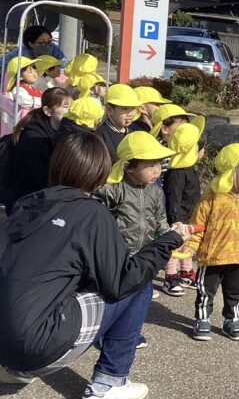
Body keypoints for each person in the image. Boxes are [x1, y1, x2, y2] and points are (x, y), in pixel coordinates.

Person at [0, 132, 187, 399]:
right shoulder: (91, 213)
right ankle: (110, 381)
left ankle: (13, 367)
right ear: (100, 171)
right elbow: (122, 282)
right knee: (139, 284)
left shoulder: (30, 203)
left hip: (4, 342)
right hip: (37, 343)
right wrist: (170, 240)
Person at [95, 131, 180, 347]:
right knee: (115, 298)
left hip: (144, 254)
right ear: (129, 166)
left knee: (139, 299)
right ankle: (105, 332)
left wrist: (170, 235)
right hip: (119, 256)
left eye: (159, 164)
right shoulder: (113, 188)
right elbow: (97, 216)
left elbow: (160, 218)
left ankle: (130, 333)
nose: (157, 171)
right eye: (150, 165)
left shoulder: (155, 192)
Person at [185, 143, 239, 341]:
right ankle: (203, 320)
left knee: (236, 291)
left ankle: (232, 319)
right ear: (231, 173)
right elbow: (198, 225)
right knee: (206, 291)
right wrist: (191, 246)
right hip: (212, 256)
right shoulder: (211, 197)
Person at [5, 87, 72, 211]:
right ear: (48, 111)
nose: (70, 111)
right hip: (26, 204)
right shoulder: (35, 140)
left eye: (71, 107)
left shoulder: (60, 130)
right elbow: (42, 178)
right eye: (65, 107)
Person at [162, 124, 205, 293]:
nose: (203, 152)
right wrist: (176, 220)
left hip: (189, 216)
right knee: (175, 248)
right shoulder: (177, 172)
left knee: (187, 245)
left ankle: (186, 272)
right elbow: (173, 199)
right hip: (178, 219)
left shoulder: (189, 168)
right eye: (201, 148)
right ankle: (170, 277)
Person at [96, 84, 142, 161]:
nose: (131, 114)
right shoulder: (100, 137)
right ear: (109, 109)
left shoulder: (134, 134)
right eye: (125, 108)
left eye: (133, 108)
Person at [2, 25, 68, 68]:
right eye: (42, 42)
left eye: (49, 40)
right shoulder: (20, 55)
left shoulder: (54, 48)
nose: (47, 45)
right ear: (31, 44)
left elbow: (64, 66)